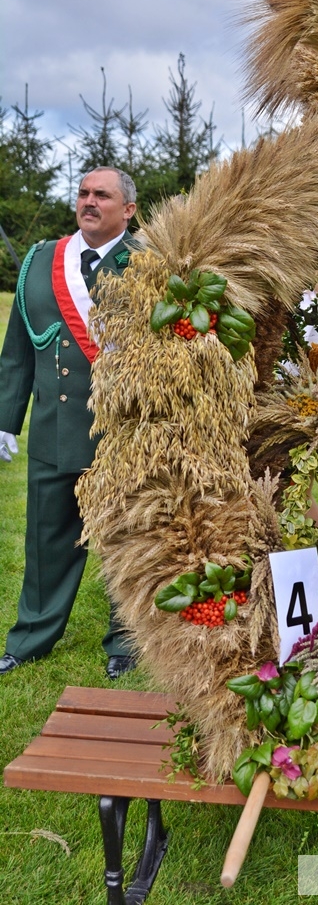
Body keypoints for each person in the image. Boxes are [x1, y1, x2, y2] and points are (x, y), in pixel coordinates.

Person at [0, 167, 138, 678]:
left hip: (124, 432)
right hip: (55, 428)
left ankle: (126, 639)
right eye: (83, 193)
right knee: (45, 538)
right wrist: (5, 420)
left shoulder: (150, 262)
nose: (88, 201)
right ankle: (31, 638)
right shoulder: (40, 260)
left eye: (102, 195)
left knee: (126, 538)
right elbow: (17, 349)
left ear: (128, 210)